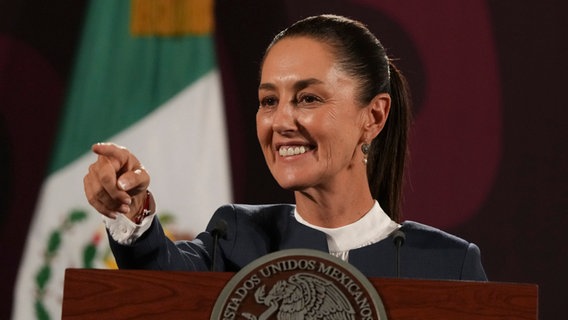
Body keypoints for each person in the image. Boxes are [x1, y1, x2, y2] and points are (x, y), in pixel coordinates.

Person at [84, 14, 486, 280]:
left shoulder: (449, 265)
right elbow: (162, 277)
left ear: (374, 117)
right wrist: (131, 214)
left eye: (308, 98)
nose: (280, 122)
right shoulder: (237, 240)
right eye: (268, 101)